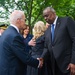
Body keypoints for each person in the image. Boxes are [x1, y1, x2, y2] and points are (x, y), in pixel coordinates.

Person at [0, 10, 43, 75]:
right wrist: (38, 63)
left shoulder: (7, 32)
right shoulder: (15, 36)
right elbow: (25, 57)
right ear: (19, 20)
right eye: (24, 20)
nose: (25, 23)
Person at [41, 6, 75, 75]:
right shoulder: (47, 31)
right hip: (54, 67)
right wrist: (42, 57)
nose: (45, 18)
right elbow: (46, 47)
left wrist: (73, 62)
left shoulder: (66, 21)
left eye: (47, 15)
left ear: (53, 13)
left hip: (68, 66)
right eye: (44, 16)